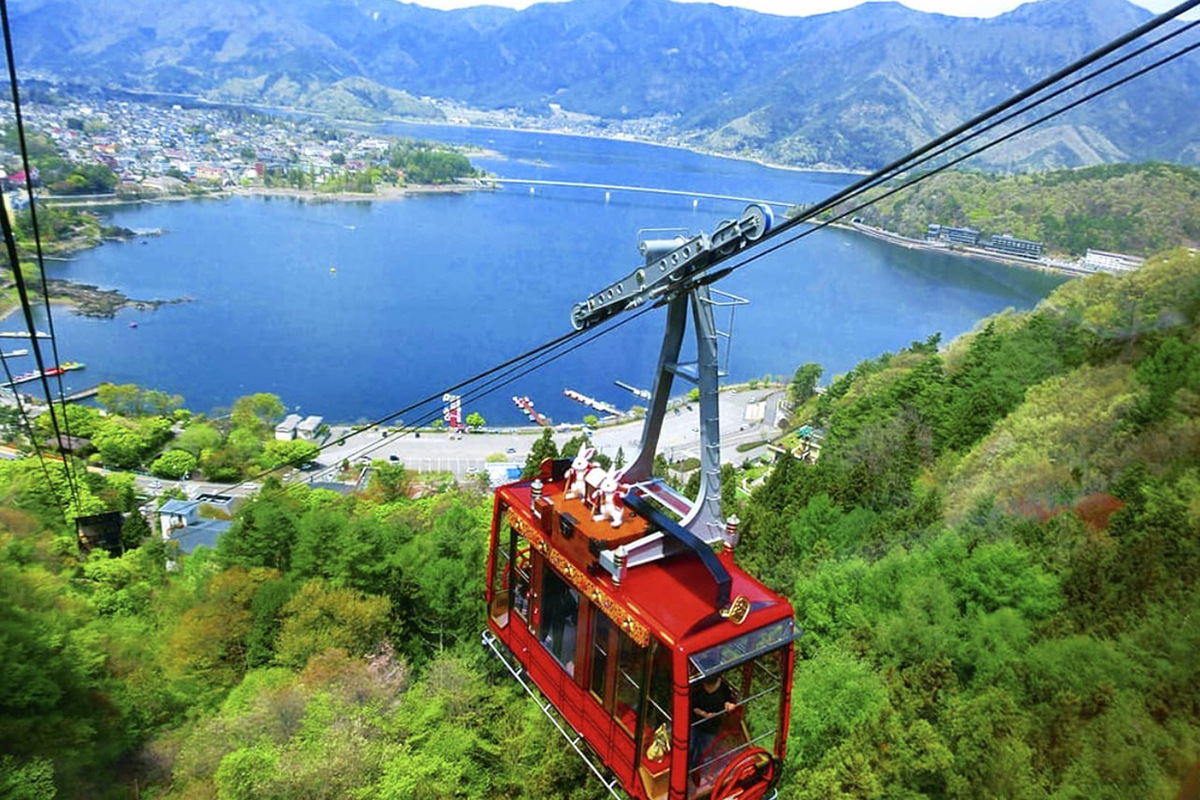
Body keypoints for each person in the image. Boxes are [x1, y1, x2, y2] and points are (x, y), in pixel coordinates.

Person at [690, 674, 737, 774]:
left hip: (712, 726)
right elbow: (693, 706)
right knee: (690, 747)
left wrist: (729, 706)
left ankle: (698, 772)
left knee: (704, 751)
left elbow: (726, 701)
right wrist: (705, 715)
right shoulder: (697, 687)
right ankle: (688, 768)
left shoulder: (723, 687)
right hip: (696, 722)